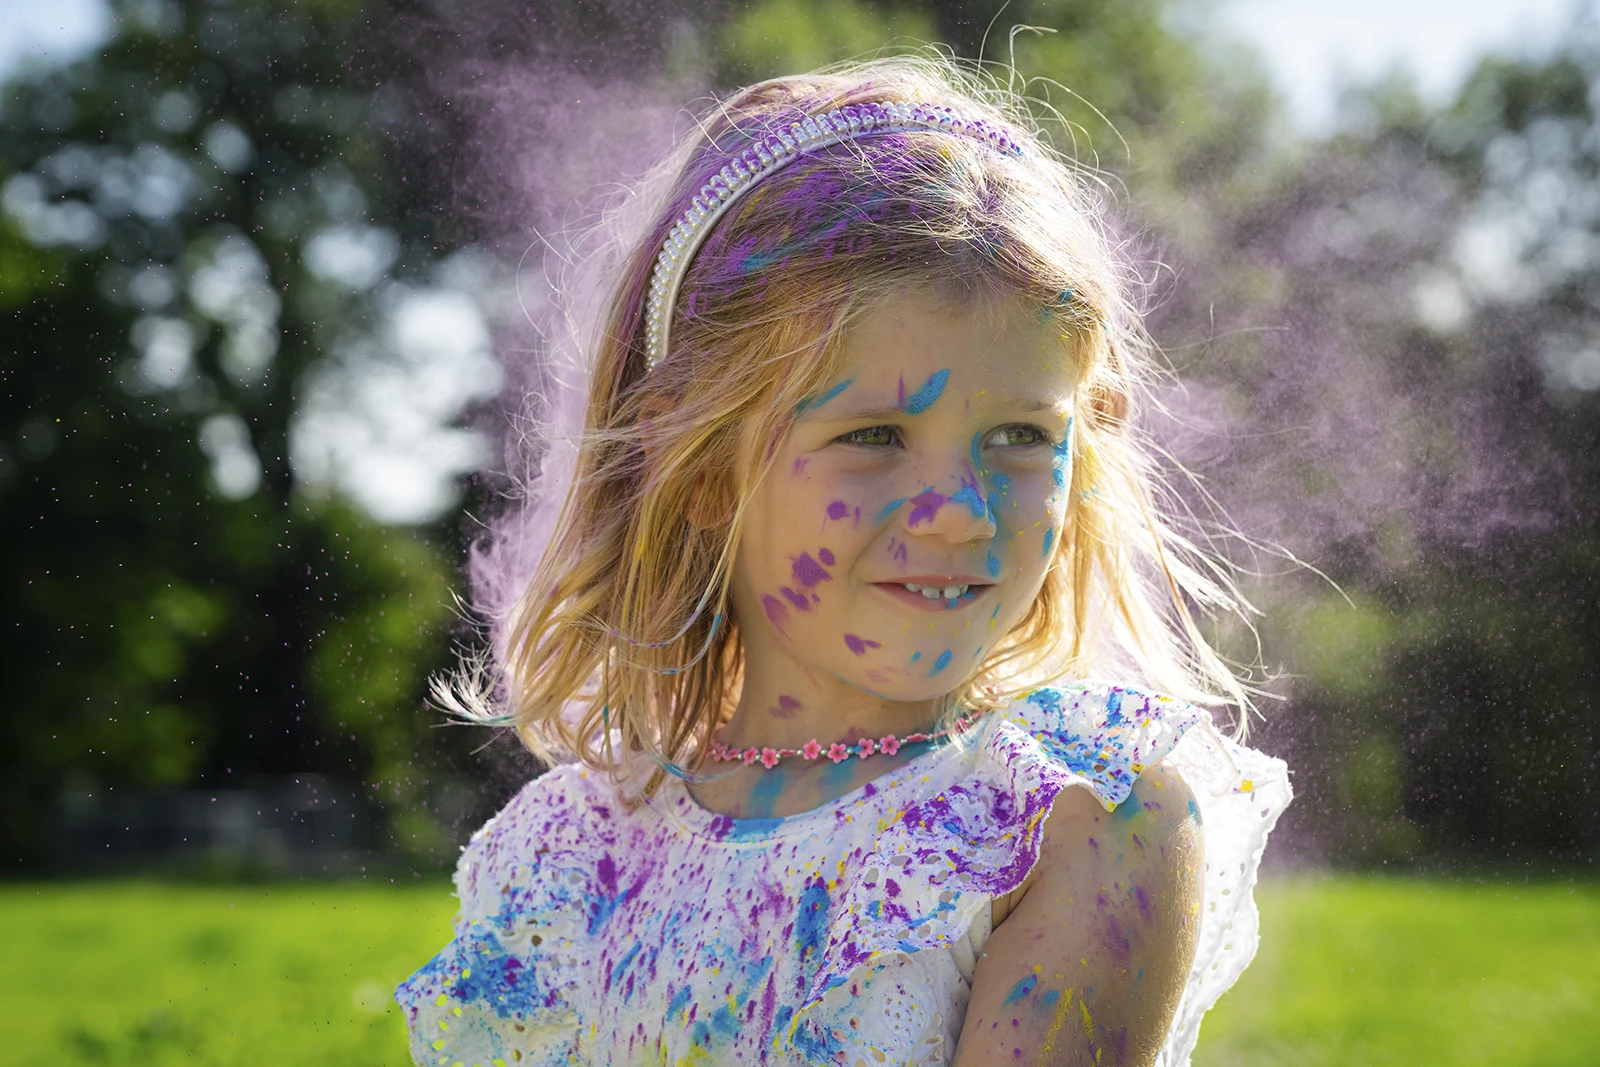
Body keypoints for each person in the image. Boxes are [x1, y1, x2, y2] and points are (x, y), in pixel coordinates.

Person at [396, 56, 1290, 1067]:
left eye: (1020, 437)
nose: (957, 511)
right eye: (871, 437)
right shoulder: (570, 858)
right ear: (694, 468)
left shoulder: (1070, 818)